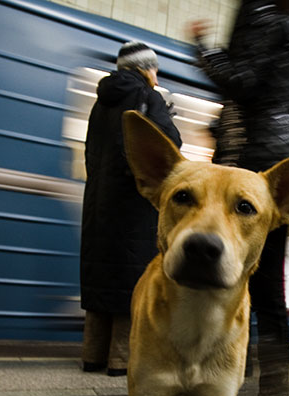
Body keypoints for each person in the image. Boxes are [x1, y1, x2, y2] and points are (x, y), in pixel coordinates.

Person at [187, 0, 289, 396]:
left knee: (251, 284)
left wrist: (202, 48)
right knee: (261, 287)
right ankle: (259, 389)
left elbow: (243, 80)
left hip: (254, 158)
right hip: (280, 162)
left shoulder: (265, 12)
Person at [80, 41, 182, 376]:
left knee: (100, 272)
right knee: (129, 275)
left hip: (98, 199)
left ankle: (92, 354)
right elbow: (170, 145)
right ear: (145, 68)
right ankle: (120, 359)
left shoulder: (101, 101)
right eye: (154, 67)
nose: (156, 74)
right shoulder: (149, 98)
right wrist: (167, 113)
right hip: (133, 203)